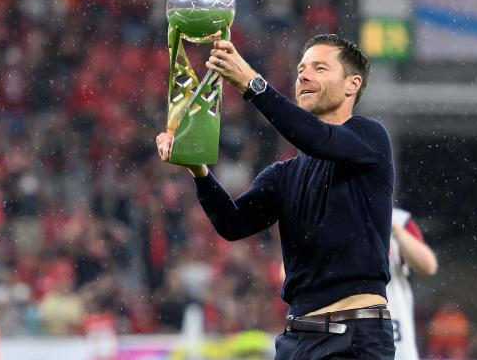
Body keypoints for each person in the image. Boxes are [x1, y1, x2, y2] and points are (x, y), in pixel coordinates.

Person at [156, 33, 395, 360]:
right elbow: (232, 224)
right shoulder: (284, 174)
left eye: (320, 68)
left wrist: (251, 83)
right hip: (296, 339)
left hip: (353, 335)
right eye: (301, 68)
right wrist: (198, 171)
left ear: (352, 84)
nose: (304, 75)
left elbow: (317, 138)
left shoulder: (371, 137)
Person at [387, 207, 438, 360]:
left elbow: (428, 266)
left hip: (394, 329)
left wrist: (395, 228)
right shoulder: (323, 215)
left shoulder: (397, 219)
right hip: (342, 326)